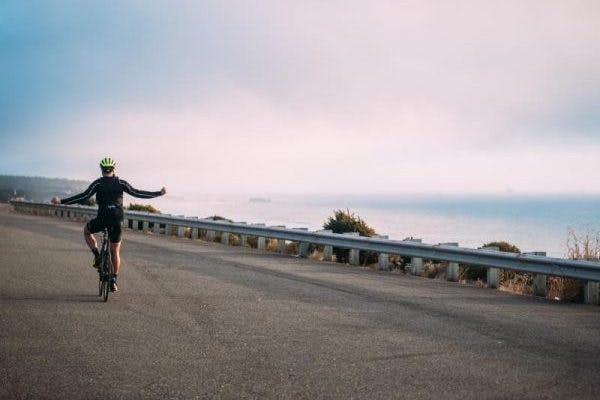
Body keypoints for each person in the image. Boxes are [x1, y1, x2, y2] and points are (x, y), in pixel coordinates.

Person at [51, 157, 166, 292]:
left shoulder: (97, 184)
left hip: (103, 218)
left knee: (87, 231)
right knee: (115, 251)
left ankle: (98, 255)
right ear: (114, 169)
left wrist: (61, 201)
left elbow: (83, 196)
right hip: (117, 219)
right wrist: (159, 193)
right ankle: (113, 280)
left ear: (101, 169)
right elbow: (138, 193)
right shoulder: (121, 183)